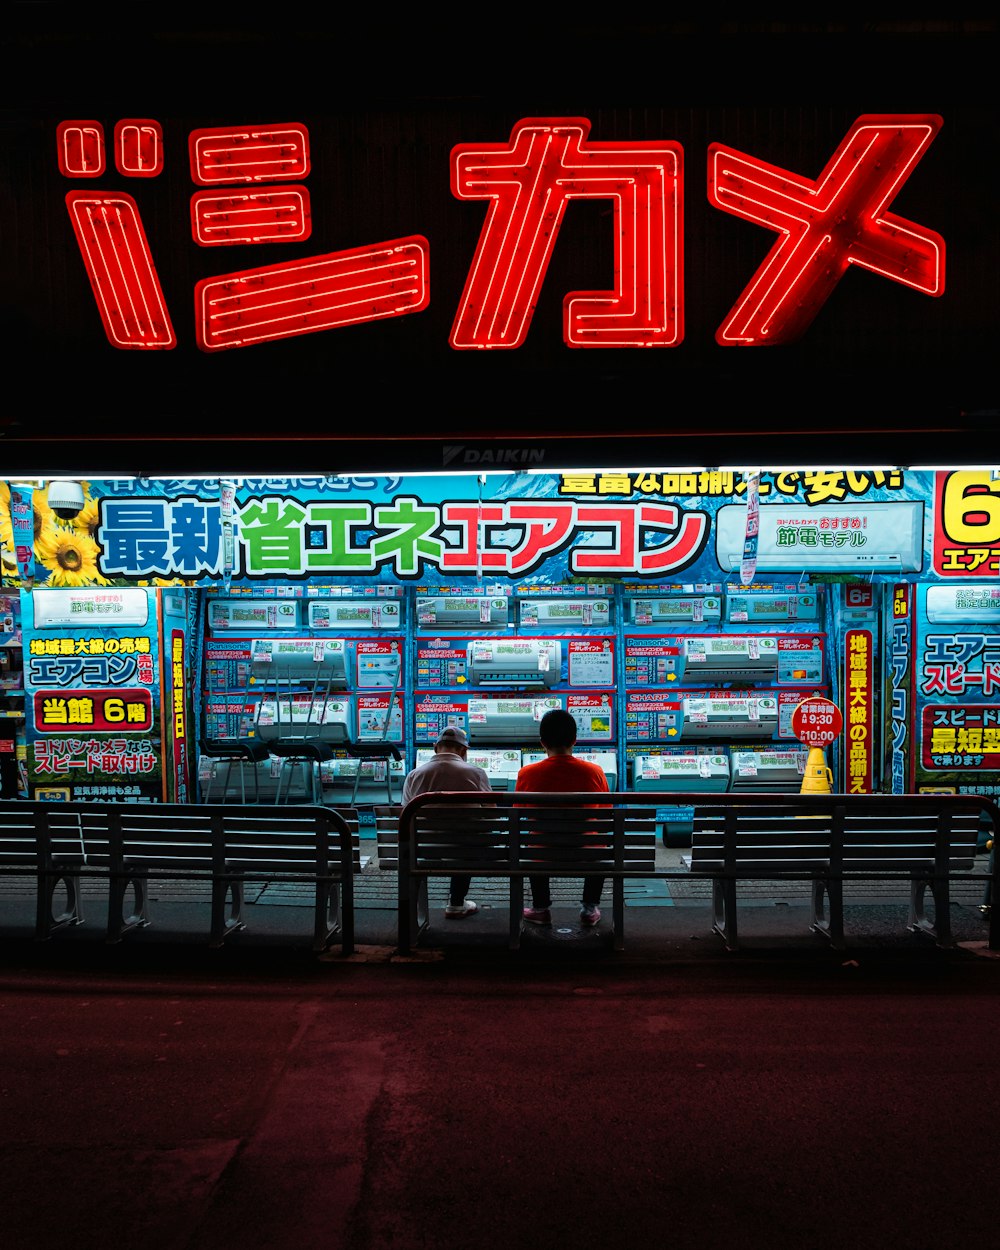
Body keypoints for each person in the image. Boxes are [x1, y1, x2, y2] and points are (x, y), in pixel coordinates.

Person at [515, 707, 610, 928]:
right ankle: (589, 907)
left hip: (540, 852)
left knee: (535, 839)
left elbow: (519, 813)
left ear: (542, 743)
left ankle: (540, 908)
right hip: (586, 852)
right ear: (574, 741)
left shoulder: (526, 774)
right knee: (599, 843)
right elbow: (605, 813)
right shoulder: (594, 772)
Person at [400, 726, 492, 918]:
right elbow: (492, 814)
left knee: (456, 840)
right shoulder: (476, 773)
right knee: (467, 840)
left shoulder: (414, 775)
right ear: (464, 751)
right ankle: (457, 902)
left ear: (435, 747)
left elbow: (405, 815)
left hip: (424, 848)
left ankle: (411, 912)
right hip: (468, 850)